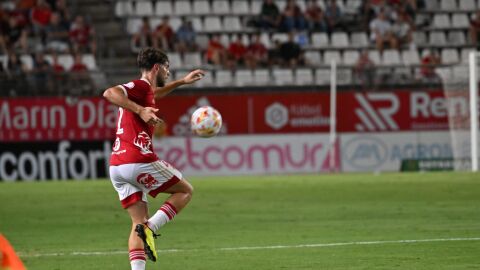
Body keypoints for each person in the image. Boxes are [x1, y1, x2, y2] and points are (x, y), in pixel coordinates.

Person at [103, 47, 204, 270]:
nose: (168, 72)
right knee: (185, 190)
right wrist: (140, 111)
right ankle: (151, 228)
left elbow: (155, 94)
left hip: (117, 167)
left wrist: (181, 82)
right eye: (167, 68)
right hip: (137, 160)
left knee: (137, 223)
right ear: (157, 67)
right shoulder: (139, 86)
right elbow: (109, 93)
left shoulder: (145, 91)